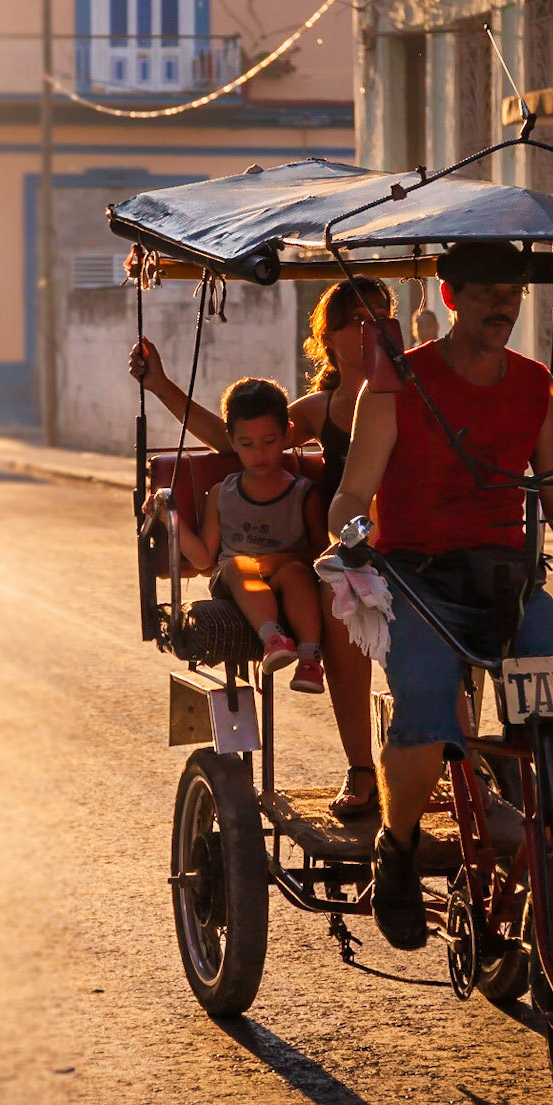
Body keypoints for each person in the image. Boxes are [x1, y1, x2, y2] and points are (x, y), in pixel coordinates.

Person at [325, 240, 553, 951]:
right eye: (487, 291)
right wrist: (352, 532)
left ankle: (546, 857)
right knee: (429, 714)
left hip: (508, 583)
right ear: (452, 295)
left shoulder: (533, 386)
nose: (502, 304)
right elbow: (350, 492)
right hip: (417, 581)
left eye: (512, 293)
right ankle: (397, 849)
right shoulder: (396, 383)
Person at [131, 277, 395, 817]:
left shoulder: (410, 395)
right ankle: (362, 770)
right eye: (354, 320)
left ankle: (454, 767)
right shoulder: (323, 409)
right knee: (338, 606)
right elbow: (238, 439)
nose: (370, 329)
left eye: (379, 317)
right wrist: (161, 386)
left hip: (410, 543)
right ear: (330, 337)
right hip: (351, 555)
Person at [177, 378, 328, 692]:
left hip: (285, 577)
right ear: (231, 441)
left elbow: (320, 552)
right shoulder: (223, 493)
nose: (259, 453)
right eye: (247, 444)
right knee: (238, 566)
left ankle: (310, 658)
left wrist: (280, 560)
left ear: (287, 433)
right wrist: (171, 522)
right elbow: (205, 557)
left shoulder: (303, 493)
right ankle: (273, 638)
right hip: (235, 581)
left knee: (298, 572)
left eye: (269, 441)